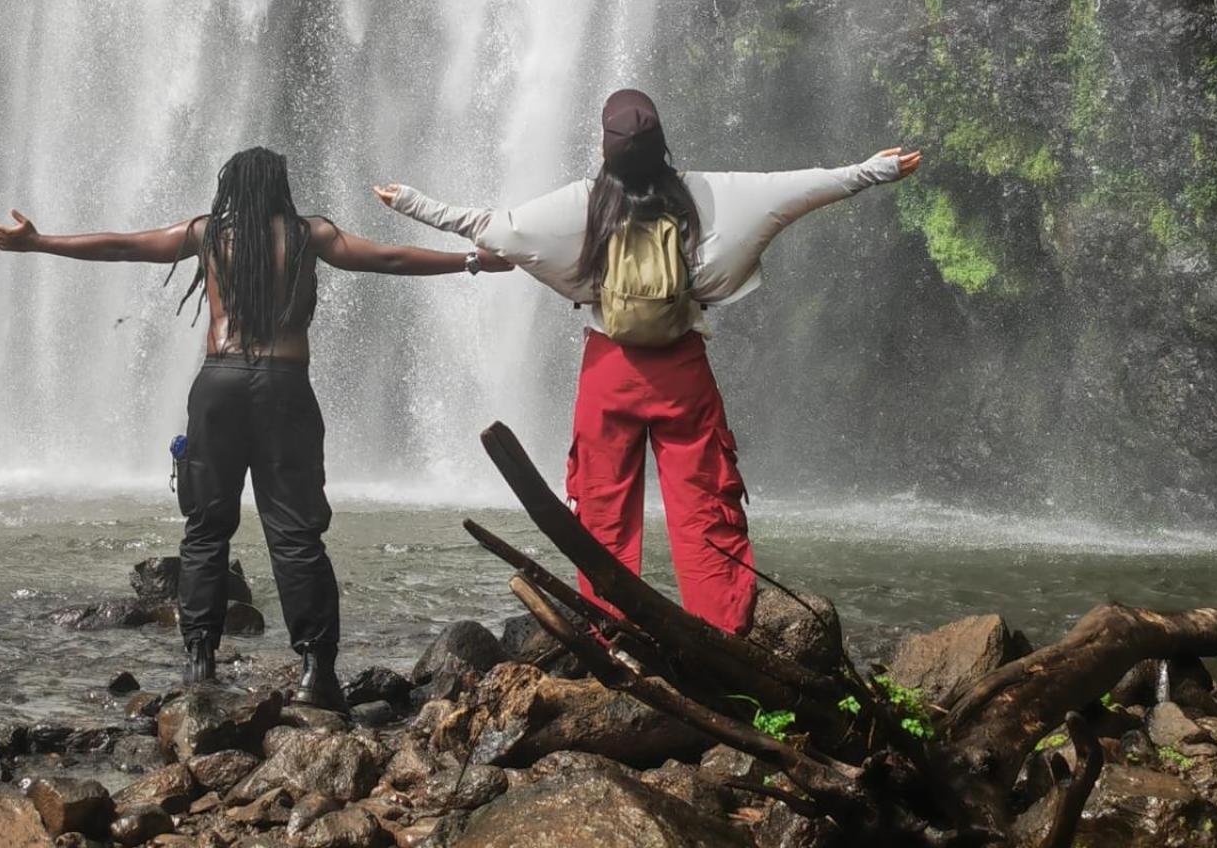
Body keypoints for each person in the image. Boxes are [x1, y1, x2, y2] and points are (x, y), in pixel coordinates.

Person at [376, 90, 920, 636]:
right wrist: (875, 170)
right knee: (707, 503)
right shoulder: (708, 194)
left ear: (604, 149)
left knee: (602, 507)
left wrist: (412, 202)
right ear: (662, 144)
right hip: (682, 371)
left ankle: (609, 634)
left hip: (609, 374)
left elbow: (494, 226)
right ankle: (724, 636)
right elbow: (802, 188)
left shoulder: (580, 205)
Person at [0, 146, 509, 709]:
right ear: (281, 188)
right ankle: (315, 671)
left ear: (229, 189)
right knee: (295, 532)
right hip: (284, 386)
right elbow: (392, 259)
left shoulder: (209, 234)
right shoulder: (313, 236)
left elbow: (123, 245)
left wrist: (38, 242)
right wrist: (472, 261)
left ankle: (200, 660)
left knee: (207, 527)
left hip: (220, 385)